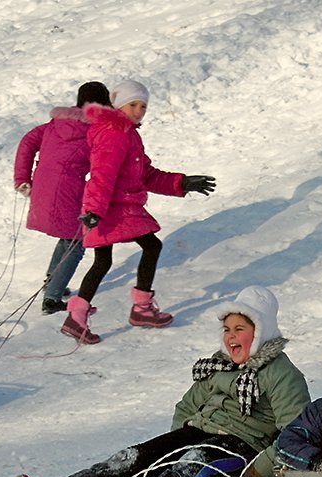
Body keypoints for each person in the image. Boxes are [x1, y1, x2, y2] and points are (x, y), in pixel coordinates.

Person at [15, 285, 311, 477]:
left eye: (240, 329)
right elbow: (188, 403)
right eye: (227, 329)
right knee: (135, 455)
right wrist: (172, 444)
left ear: (260, 332)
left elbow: (297, 429)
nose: (231, 336)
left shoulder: (282, 374)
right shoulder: (219, 364)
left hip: (244, 447)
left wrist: (261, 467)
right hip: (200, 432)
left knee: (199, 458)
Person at [60, 79, 216, 343]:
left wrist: (182, 182)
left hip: (117, 205)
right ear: (119, 105)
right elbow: (102, 174)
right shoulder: (113, 133)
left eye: (143, 106)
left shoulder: (128, 134)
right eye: (133, 104)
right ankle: (139, 309)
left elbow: (146, 175)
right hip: (111, 207)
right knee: (148, 247)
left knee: (107, 260)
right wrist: (95, 210)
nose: (139, 110)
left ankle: (79, 317)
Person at [13, 81, 112, 315]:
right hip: (67, 189)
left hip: (43, 186)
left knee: (67, 236)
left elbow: (27, 142)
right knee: (76, 240)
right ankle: (52, 299)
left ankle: (53, 281)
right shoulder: (94, 130)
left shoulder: (56, 122)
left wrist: (22, 178)